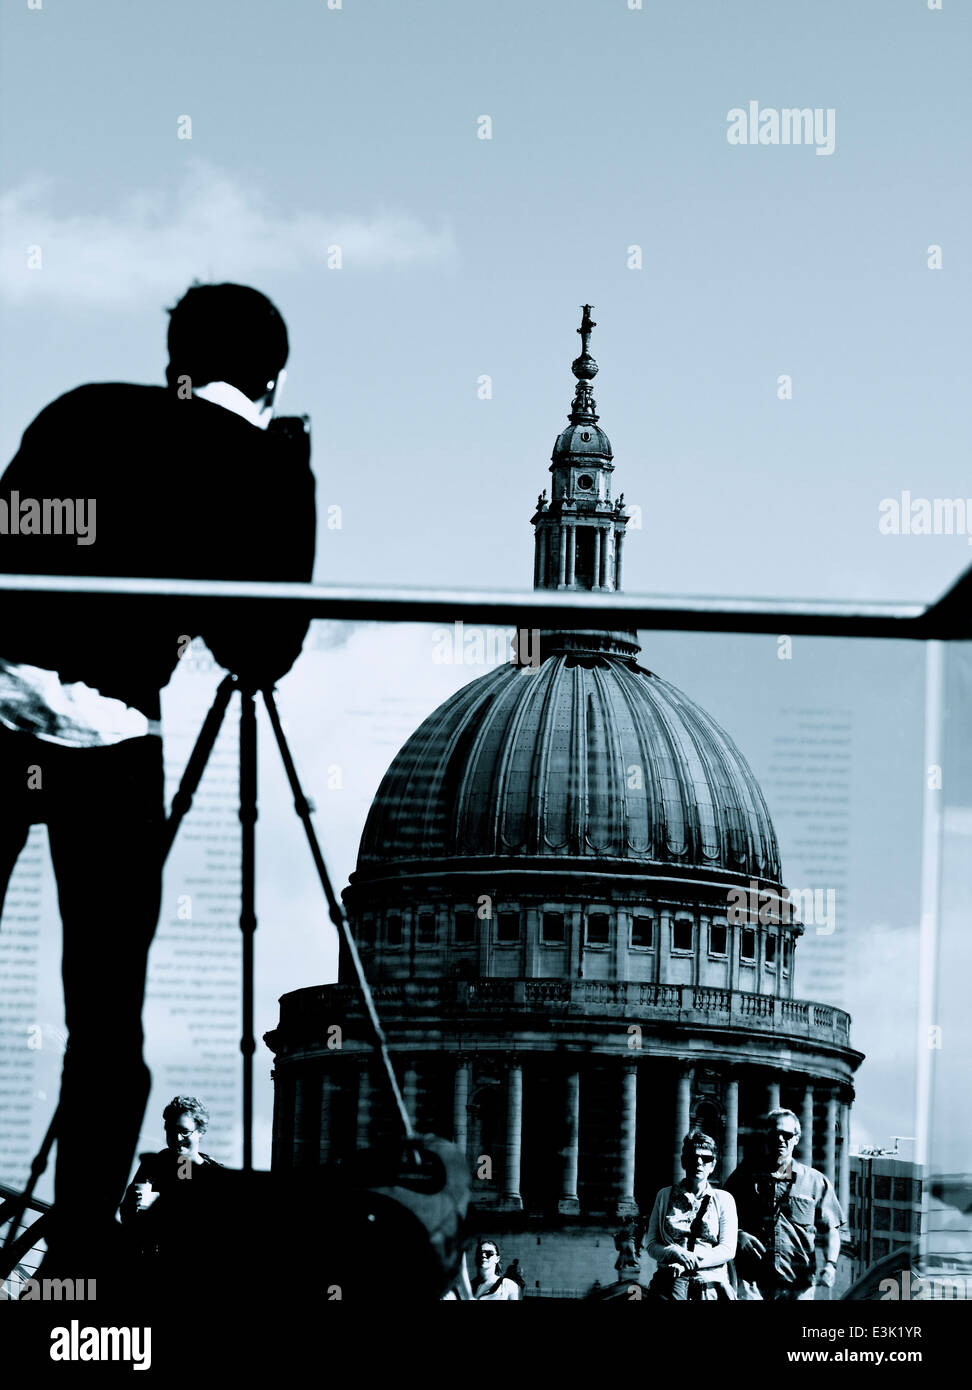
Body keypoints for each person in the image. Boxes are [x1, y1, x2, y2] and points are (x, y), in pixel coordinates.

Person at [0, 283, 316, 1271]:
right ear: (269, 376)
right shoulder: (254, 467)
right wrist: (290, 474)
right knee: (104, 1016)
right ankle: (81, 1261)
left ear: (175, 355)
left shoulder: (82, 408)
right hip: (110, 743)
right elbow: (260, 649)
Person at [724, 1108, 844, 1300]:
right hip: (752, 1283)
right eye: (775, 1134)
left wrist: (831, 1265)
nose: (780, 1139)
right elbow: (719, 1218)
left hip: (799, 1286)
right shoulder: (743, 1177)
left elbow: (831, 1229)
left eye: (787, 1135)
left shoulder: (815, 1182)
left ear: (796, 1138)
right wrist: (738, 1235)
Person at [120, 1096, 225, 1259]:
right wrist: (129, 1206)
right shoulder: (153, 1165)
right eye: (171, 1130)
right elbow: (129, 1220)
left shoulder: (215, 1175)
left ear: (201, 1132)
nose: (177, 1138)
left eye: (184, 1131)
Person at [644, 1130, 737, 1300]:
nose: (699, 1163)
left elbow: (727, 1249)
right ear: (683, 1161)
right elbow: (651, 1244)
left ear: (713, 1165)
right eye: (693, 1157)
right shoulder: (664, 1196)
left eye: (706, 1158)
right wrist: (674, 1252)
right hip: (670, 1286)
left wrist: (689, 1261)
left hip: (710, 1288)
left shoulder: (724, 1199)